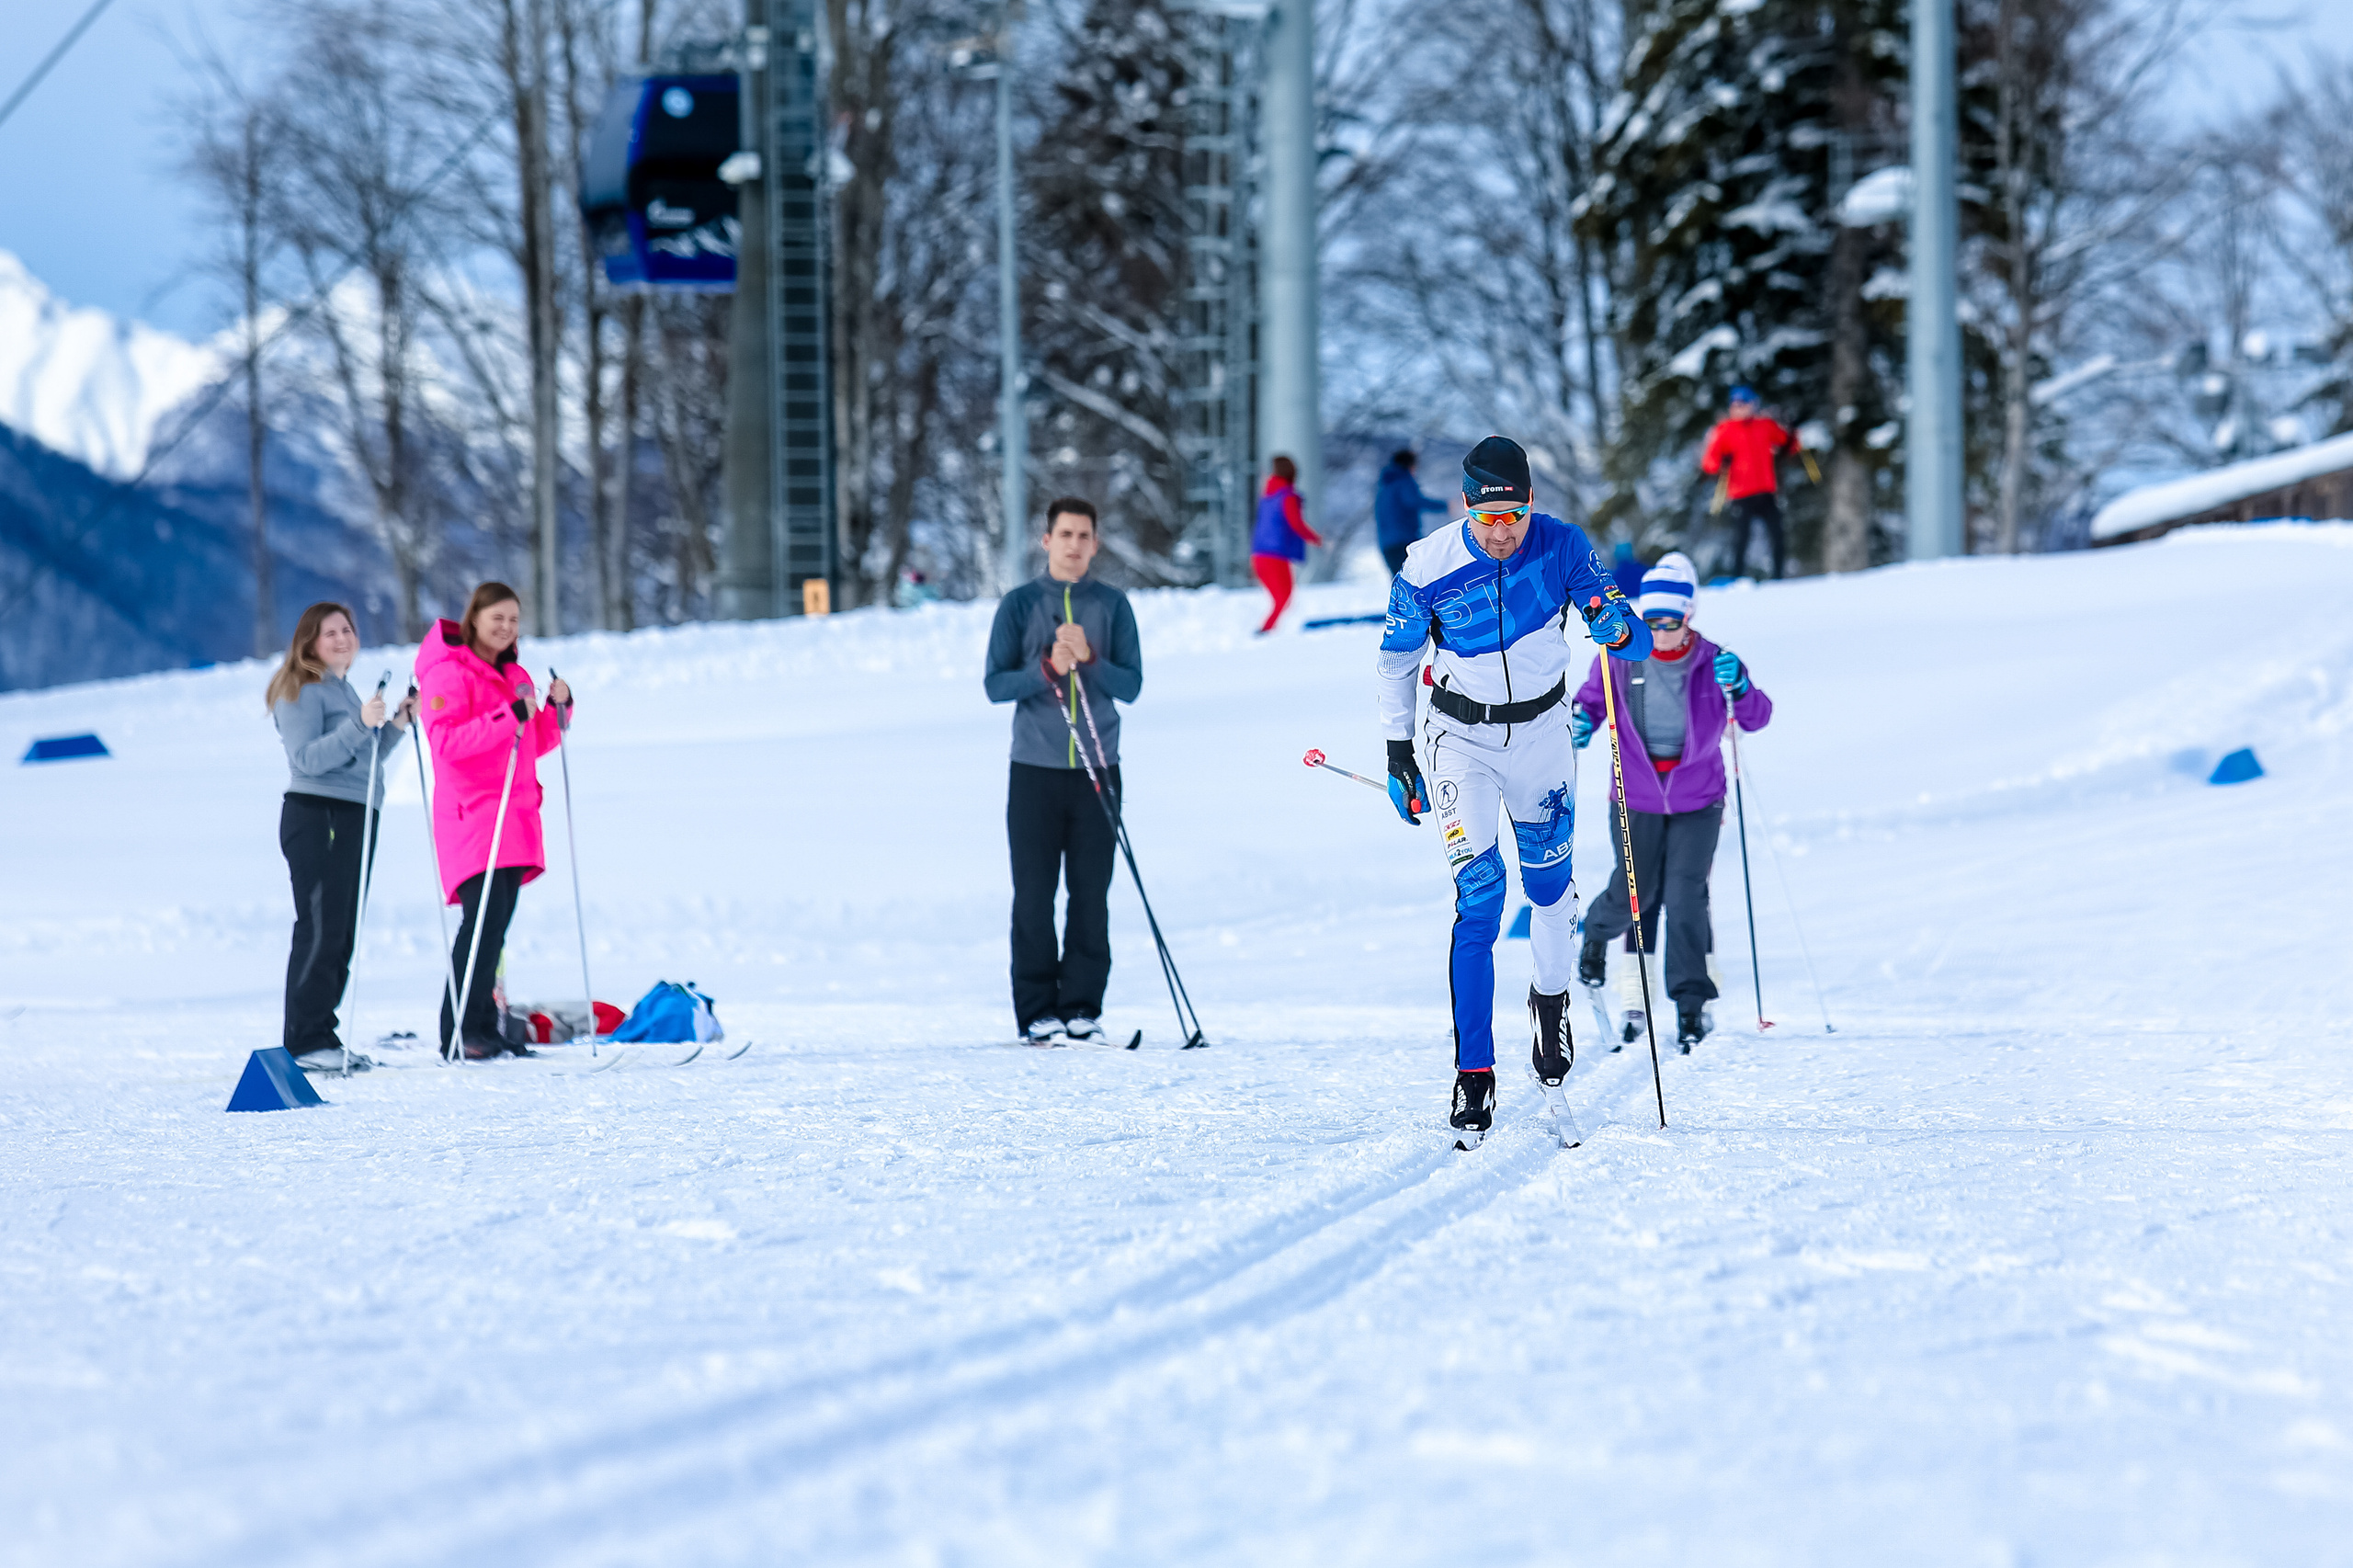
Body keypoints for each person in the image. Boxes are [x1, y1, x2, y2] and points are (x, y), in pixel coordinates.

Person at [1377, 435, 1651, 1150]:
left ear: (1531, 504)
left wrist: (1616, 626)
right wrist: (1398, 752)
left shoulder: (1562, 545)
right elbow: (1397, 662)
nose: (1502, 532)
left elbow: (1628, 631)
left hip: (1542, 736)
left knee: (1550, 892)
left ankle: (1550, 1006)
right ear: (1466, 507)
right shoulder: (1427, 564)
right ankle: (1473, 1072)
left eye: (1515, 517)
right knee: (1480, 898)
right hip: (1459, 740)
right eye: (1487, 519)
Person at [1569, 551, 1772, 1051]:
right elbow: (1591, 701)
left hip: (1697, 798)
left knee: (1685, 897)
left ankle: (1691, 1005)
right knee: (1635, 893)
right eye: (1652, 620)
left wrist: (1740, 686)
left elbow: (1756, 716)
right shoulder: (1620, 655)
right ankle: (1595, 932)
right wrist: (1580, 722)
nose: (1660, 632)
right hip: (1635, 795)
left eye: (1671, 622)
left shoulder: (1714, 661)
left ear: (1689, 616)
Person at [983, 498, 1145, 1046]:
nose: (1074, 545)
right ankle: (1037, 1013)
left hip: (1099, 768)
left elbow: (1131, 686)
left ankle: (1081, 1008)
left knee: (1090, 894)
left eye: (1084, 536)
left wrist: (1092, 660)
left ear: (1095, 545)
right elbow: (995, 685)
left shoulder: (1113, 605)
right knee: (1034, 895)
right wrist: (1049, 668)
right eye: (1065, 534)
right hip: (1035, 769)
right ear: (1046, 540)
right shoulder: (1020, 605)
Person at [416, 583, 573, 1060]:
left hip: (512, 814)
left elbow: (533, 739)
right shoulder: (448, 673)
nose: (506, 628)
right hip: (473, 814)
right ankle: (460, 1029)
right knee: (480, 924)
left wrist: (559, 709)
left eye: (513, 620)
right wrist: (508, 716)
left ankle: (484, 1025)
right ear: (475, 619)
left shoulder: (515, 675)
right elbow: (446, 744)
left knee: (495, 926)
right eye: (497, 618)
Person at [268, 601, 416, 1073]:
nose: (341, 639)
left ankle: (321, 1035)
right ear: (309, 641)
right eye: (329, 632)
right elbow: (308, 759)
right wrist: (360, 723)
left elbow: (362, 756)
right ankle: (305, 1040)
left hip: (354, 813)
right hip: (320, 814)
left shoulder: (344, 690)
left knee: (342, 929)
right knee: (322, 926)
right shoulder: (301, 689)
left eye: (347, 631)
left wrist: (396, 723)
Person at [1699, 384, 1797, 580]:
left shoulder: (1765, 425)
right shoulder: (1724, 430)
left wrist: (1792, 433)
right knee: (1741, 539)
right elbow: (1709, 463)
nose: (1739, 408)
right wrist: (1721, 461)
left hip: (1766, 491)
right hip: (1741, 494)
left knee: (1777, 535)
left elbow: (1788, 444)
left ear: (1753, 405)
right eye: (1735, 405)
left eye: (1743, 404)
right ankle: (1738, 579)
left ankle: (1779, 578)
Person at [1250, 454, 1323, 633]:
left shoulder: (1267, 495)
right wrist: (1316, 539)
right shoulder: (1287, 497)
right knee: (1284, 598)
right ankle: (1265, 631)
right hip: (1275, 556)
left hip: (1259, 555)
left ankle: (1268, 630)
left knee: (1281, 599)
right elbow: (1296, 523)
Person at [1374, 449, 1451, 575]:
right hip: (1404, 541)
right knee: (1419, 579)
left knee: (1402, 581)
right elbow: (1414, 500)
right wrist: (1446, 506)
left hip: (1386, 543)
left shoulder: (1385, 486)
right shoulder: (1403, 481)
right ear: (1410, 466)